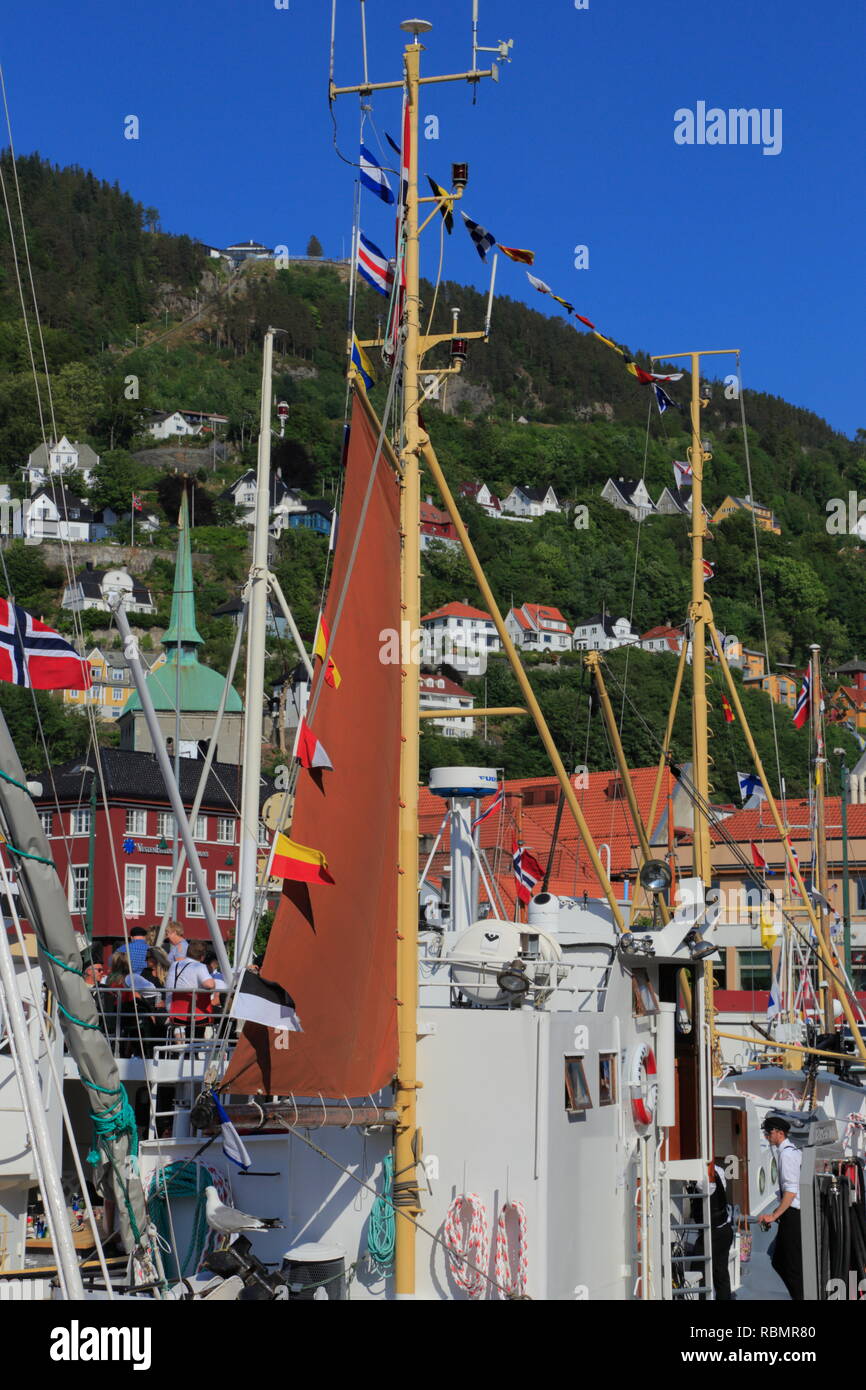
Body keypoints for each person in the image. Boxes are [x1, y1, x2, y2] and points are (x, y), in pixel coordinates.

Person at [760, 1115, 803, 1300]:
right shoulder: (790, 1152)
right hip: (791, 1213)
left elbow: (791, 1192)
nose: (766, 1137)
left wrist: (774, 1215)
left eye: (768, 1133)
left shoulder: (787, 1154)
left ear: (779, 1133)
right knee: (781, 1260)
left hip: (793, 1214)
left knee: (789, 1265)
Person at [166, 940, 215, 1040]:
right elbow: (210, 984)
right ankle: (197, 1050)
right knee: (224, 1014)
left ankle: (189, 1051)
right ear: (202, 956)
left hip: (173, 1010)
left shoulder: (174, 965)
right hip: (193, 1014)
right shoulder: (199, 966)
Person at [707, 1160, 733, 1300]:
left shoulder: (706, 1176)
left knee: (699, 1270)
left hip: (715, 1231)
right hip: (724, 1228)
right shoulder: (720, 1171)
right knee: (721, 1272)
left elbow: (707, 1189)